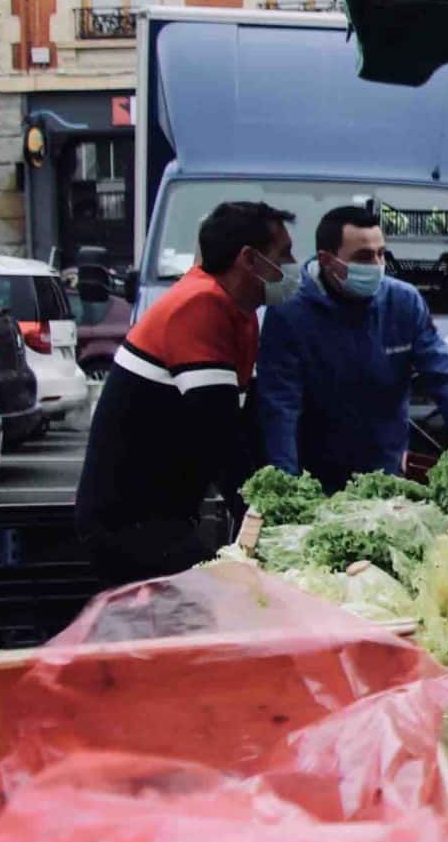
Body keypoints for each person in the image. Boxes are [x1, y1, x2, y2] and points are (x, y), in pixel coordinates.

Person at [75, 200, 295, 585]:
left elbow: (245, 424)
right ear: (248, 258)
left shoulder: (238, 312)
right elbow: (220, 434)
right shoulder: (200, 306)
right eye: (284, 254)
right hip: (131, 523)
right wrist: (268, 523)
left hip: (165, 515)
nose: (293, 265)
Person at [253, 204, 448, 492]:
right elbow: (280, 407)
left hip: (385, 476)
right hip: (314, 479)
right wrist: (287, 489)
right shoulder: (289, 313)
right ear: (327, 260)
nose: (377, 265)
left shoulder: (403, 303)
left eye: (381, 254)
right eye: (363, 257)